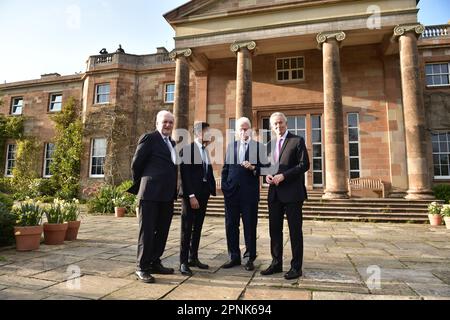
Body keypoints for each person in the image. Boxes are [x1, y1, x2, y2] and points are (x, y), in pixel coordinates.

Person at [128, 110, 178, 283]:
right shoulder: (149, 138)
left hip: (167, 196)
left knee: (162, 231)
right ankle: (142, 267)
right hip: (150, 193)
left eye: (171, 122)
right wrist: (142, 184)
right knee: (147, 232)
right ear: (157, 123)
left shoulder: (172, 143)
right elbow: (136, 164)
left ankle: (155, 261)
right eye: (165, 122)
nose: (168, 125)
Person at [260, 112, 310, 280]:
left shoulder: (297, 140)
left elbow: (305, 164)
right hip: (274, 194)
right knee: (275, 230)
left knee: (295, 231)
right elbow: (266, 166)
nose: (278, 126)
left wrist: (284, 176)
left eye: (280, 123)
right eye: (275, 124)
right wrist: (266, 175)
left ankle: (296, 267)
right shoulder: (269, 144)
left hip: (293, 194)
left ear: (286, 123)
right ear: (271, 126)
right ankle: (276, 263)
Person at [221, 117, 265, 271]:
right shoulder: (231, 146)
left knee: (249, 226)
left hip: (249, 194)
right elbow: (225, 169)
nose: (243, 131)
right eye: (240, 128)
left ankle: (249, 258)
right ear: (237, 131)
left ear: (250, 130)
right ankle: (233, 256)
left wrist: (254, 168)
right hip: (231, 194)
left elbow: (266, 169)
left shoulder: (258, 147)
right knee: (231, 225)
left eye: (246, 128)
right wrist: (225, 187)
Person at [178, 122, 216, 276]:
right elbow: (185, 175)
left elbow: (206, 172)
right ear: (199, 133)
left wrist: (210, 189)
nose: (210, 134)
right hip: (191, 196)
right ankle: (183, 262)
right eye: (207, 131)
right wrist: (191, 196)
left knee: (198, 227)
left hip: (203, 194)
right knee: (186, 228)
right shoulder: (188, 149)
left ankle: (193, 257)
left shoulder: (205, 150)